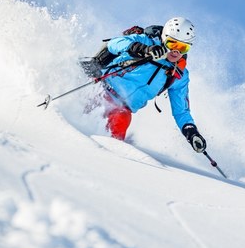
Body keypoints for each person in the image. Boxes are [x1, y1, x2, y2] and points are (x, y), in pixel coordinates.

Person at [81, 17, 207, 153]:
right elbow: (114, 44)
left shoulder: (179, 76)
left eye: (183, 47)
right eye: (172, 44)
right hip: (101, 88)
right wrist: (142, 49)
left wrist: (191, 132)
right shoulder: (146, 41)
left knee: (116, 133)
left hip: (121, 109)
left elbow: (181, 111)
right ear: (164, 38)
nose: (176, 52)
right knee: (81, 114)